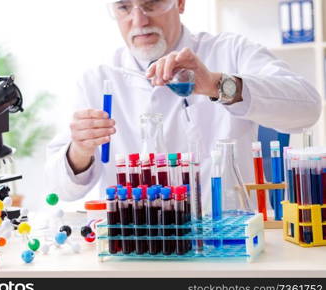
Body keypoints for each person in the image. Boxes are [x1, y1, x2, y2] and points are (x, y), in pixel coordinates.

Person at [45, 0, 321, 212]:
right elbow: (62, 189)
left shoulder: (229, 51)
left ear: (180, 3)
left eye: (151, 3)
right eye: (124, 7)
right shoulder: (99, 80)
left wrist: (217, 84)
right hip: (134, 247)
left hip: (227, 243)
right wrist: (80, 151)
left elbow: (308, 107)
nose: (138, 19)